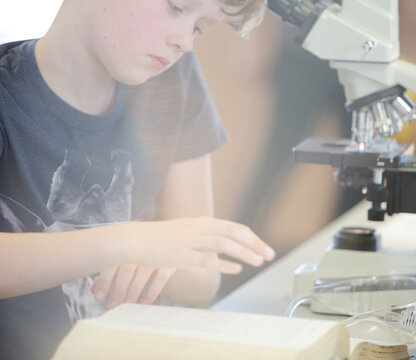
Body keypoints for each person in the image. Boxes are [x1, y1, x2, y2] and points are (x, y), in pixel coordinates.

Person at [0, 0, 275, 358]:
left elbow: (200, 284)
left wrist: (172, 260)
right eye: (177, 8)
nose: (186, 43)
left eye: (198, 28)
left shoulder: (174, 80)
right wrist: (126, 242)